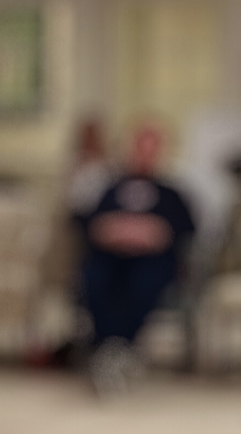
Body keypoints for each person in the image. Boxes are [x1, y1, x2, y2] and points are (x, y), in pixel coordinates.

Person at [81, 125, 195, 394]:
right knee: (94, 277)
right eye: (139, 147)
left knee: (145, 281)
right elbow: (87, 222)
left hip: (153, 260)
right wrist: (110, 229)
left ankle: (118, 348)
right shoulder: (108, 187)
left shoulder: (172, 193)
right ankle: (109, 348)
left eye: (151, 148)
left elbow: (187, 229)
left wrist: (155, 232)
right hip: (109, 257)